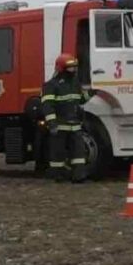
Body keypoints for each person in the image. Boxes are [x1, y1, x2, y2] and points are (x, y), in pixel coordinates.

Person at [41, 53, 93, 183]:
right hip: (60, 125)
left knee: (79, 153)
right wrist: (52, 122)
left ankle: (79, 176)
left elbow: (80, 100)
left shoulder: (75, 83)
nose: (73, 70)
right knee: (57, 153)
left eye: (74, 67)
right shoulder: (51, 85)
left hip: (75, 124)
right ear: (62, 68)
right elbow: (47, 105)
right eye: (70, 68)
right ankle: (58, 175)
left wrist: (91, 93)